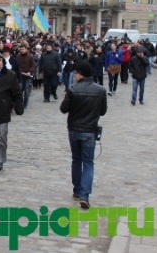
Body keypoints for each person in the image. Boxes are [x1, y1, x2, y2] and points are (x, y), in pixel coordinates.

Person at [60, 61, 107, 210]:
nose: (74, 75)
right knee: (88, 163)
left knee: (76, 160)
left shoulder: (73, 89)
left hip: (74, 129)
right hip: (90, 131)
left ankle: (77, 191)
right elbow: (103, 111)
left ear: (81, 74)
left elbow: (63, 109)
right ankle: (85, 195)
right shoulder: (100, 90)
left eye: (76, 73)